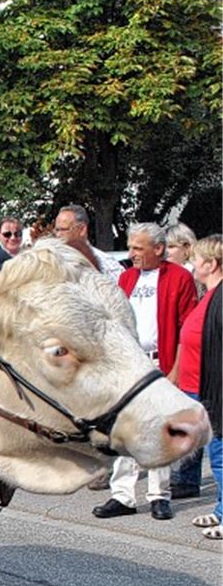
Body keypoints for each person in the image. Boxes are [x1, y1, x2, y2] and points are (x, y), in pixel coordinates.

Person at [94, 222, 198, 521]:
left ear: (158, 249)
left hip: (159, 362)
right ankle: (123, 495)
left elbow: (185, 328)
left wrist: (176, 370)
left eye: (138, 248)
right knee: (124, 428)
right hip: (129, 362)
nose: (132, 253)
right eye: (131, 247)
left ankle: (158, 494)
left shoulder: (179, 278)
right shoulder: (127, 278)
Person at [185, 236, 222, 539]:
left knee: (221, 456)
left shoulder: (220, 298)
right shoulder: (209, 295)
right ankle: (222, 510)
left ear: (211, 264)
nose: (192, 264)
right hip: (202, 386)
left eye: (197, 259)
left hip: (215, 390)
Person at [53, 205, 123, 281]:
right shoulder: (50, 260)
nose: (58, 235)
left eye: (63, 229)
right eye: (57, 230)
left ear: (82, 229)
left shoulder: (104, 263)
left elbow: (122, 290)